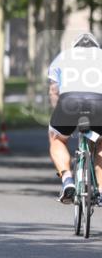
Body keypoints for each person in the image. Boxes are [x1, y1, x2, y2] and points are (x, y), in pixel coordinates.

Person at [47, 33, 102, 203]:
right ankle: (101, 190)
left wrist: (58, 112)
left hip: (69, 102)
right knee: (101, 142)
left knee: (57, 139)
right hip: (99, 102)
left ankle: (67, 179)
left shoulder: (63, 56)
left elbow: (54, 90)